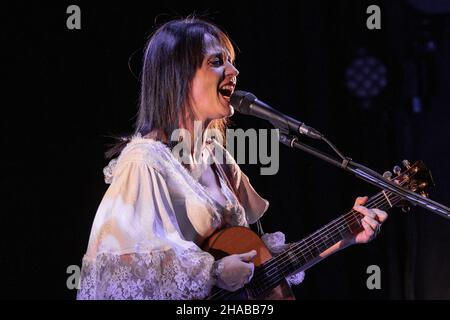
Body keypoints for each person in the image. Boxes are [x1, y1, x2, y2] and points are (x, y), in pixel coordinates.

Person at [77, 17, 388, 300]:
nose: (234, 72)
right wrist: (213, 273)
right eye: (216, 61)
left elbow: (257, 266)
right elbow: (122, 273)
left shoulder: (217, 158)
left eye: (232, 62)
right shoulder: (144, 162)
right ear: (178, 76)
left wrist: (342, 236)